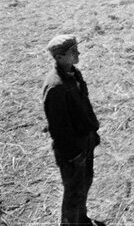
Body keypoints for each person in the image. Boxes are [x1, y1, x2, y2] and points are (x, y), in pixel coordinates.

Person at [42, 34, 105, 226]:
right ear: (59, 57)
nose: (78, 53)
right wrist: (74, 154)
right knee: (74, 191)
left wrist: (92, 133)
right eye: (73, 51)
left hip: (85, 139)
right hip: (72, 150)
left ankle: (81, 220)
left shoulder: (73, 73)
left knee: (84, 184)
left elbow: (83, 107)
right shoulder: (56, 87)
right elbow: (59, 129)